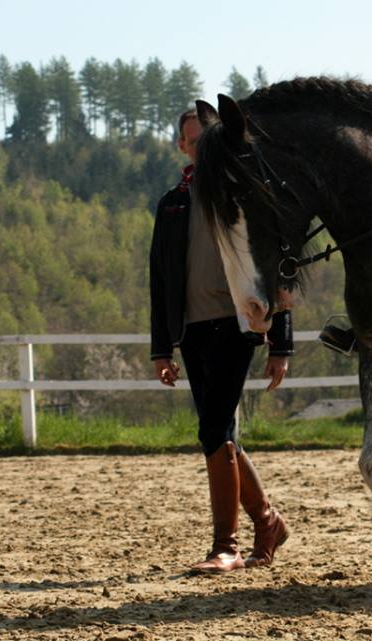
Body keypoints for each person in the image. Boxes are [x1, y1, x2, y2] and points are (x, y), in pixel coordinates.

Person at [149, 109, 292, 573]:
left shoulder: (241, 196)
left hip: (234, 327)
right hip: (191, 328)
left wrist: (281, 344)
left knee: (212, 430)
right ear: (182, 146)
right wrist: (161, 348)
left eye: (205, 139)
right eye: (191, 141)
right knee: (221, 433)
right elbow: (160, 280)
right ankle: (267, 521)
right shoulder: (171, 204)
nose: (198, 146)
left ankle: (225, 546)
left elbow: (276, 270)